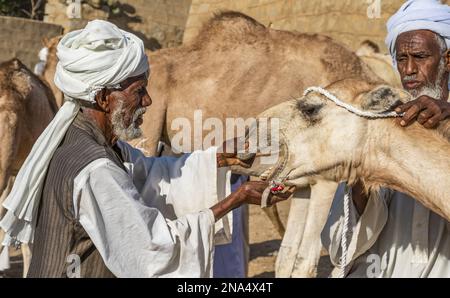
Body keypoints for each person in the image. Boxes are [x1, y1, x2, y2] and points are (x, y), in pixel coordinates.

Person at [0, 20, 287, 278]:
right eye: (139, 91)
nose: (148, 101)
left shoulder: (81, 136)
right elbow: (152, 248)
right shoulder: (94, 167)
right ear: (103, 98)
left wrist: (218, 158)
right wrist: (235, 200)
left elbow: (148, 172)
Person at [321, 0, 450, 278]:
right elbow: (339, 248)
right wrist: (361, 178)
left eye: (420, 56)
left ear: (447, 59)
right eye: (401, 59)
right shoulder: (383, 123)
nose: (409, 69)